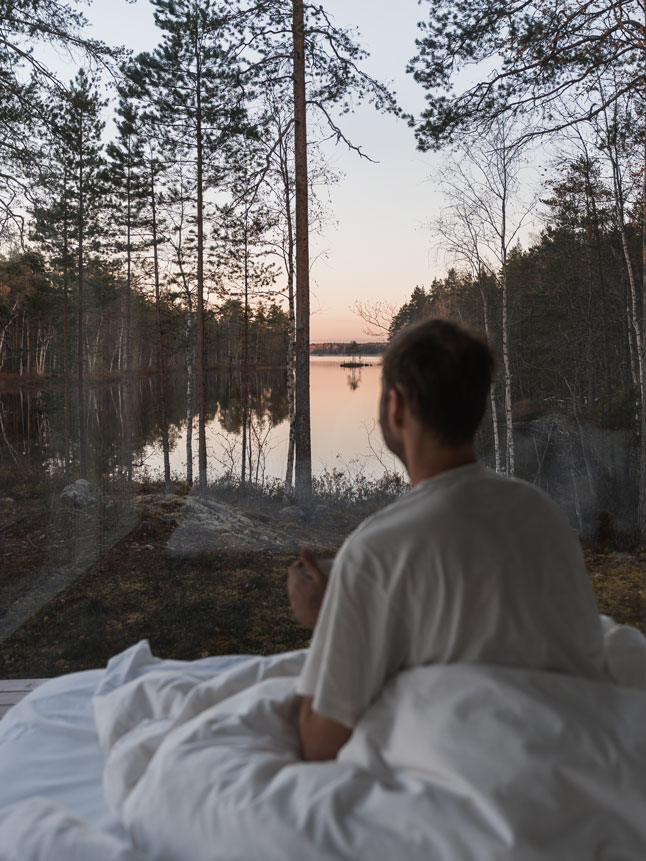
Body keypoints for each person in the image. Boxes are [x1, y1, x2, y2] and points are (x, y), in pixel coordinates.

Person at [287, 318, 605, 762]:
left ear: (396, 407)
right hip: (580, 760)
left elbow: (318, 743)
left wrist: (328, 619)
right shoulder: (541, 514)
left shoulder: (376, 550)